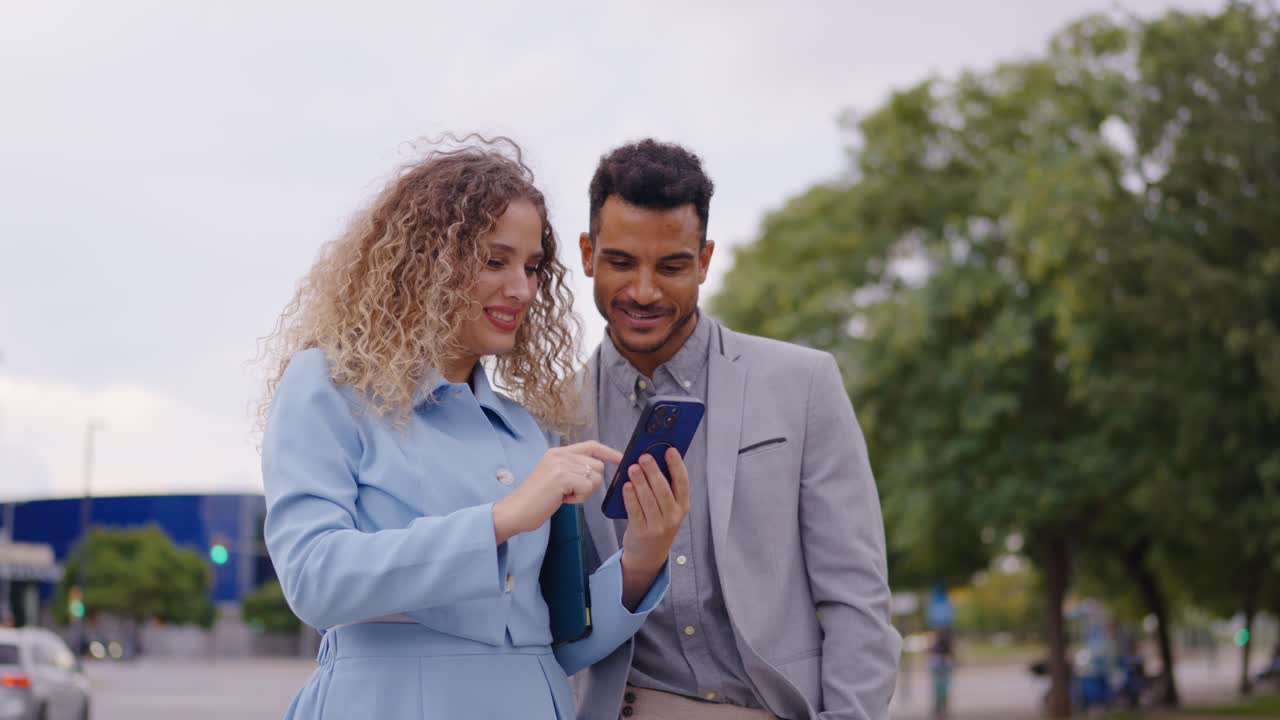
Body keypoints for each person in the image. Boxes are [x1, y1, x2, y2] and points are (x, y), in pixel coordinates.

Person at [257, 137, 688, 719]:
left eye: (532, 267)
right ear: (424, 261)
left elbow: (558, 644)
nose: (522, 289)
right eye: (494, 260)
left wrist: (643, 555)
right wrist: (503, 518)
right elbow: (313, 579)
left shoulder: (527, 431)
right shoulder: (330, 387)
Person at [568, 139, 901, 720]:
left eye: (671, 265)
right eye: (622, 262)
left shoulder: (804, 383)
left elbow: (856, 595)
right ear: (587, 253)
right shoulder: (549, 416)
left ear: (704, 260)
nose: (644, 291)